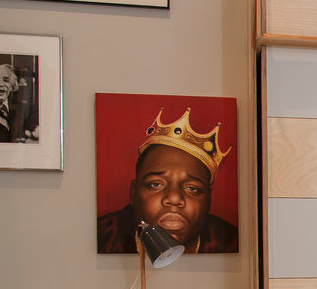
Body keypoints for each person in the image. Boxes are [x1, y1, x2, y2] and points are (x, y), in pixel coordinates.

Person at [97, 109, 238, 254]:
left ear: (208, 200)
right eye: (156, 184)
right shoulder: (102, 236)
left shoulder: (232, 242)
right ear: (133, 193)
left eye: (192, 188)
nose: (174, 198)